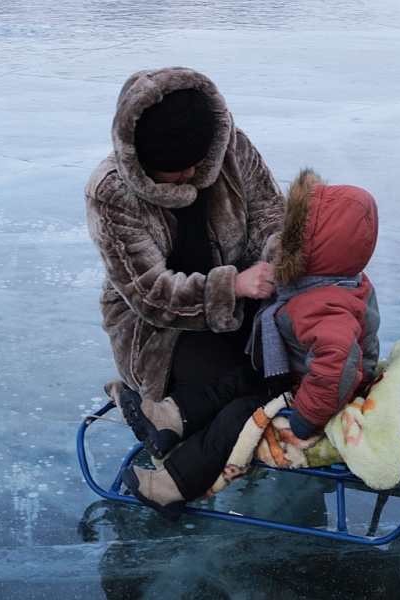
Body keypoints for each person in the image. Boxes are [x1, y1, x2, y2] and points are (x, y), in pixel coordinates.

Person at [119, 168, 381, 521]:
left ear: (319, 245)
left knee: (236, 416)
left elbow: (337, 368)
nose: (285, 235)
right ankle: (168, 419)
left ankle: (173, 487)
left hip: (310, 395)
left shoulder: (326, 303)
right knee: (236, 381)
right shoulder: (331, 279)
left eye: (295, 232)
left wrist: (302, 420)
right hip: (294, 374)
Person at [85, 66, 285, 407]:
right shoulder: (111, 193)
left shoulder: (229, 146)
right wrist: (232, 287)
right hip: (158, 329)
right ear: (143, 161)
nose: (191, 174)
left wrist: (277, 261)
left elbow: (269, 210)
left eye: (197, 161)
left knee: (293, 357)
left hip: (249, 296)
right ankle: (151, 414)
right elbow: (151, 295)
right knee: (219, 388)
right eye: (177, 168)